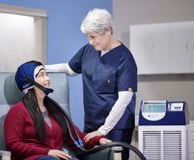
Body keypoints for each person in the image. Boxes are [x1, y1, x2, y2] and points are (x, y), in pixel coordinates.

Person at [45, 8, 137, 160]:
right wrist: (45, 67)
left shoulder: (125, 59)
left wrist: (103, 130)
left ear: (108, 30)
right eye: (88, 37)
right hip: (91, 123)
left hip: (116, 127)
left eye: (93, 37)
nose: (90, 42)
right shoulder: (88, 50)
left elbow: (124, 99)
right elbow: (69, 68)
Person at [4, 60, 111, 160]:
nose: (47, 79)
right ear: (28, 82)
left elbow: (76, 137)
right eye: (42, 75)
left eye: (46, 74)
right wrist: (47, 152)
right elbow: (13, 145)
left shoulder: (55, 110)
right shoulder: (18, 111)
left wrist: (99, 140)